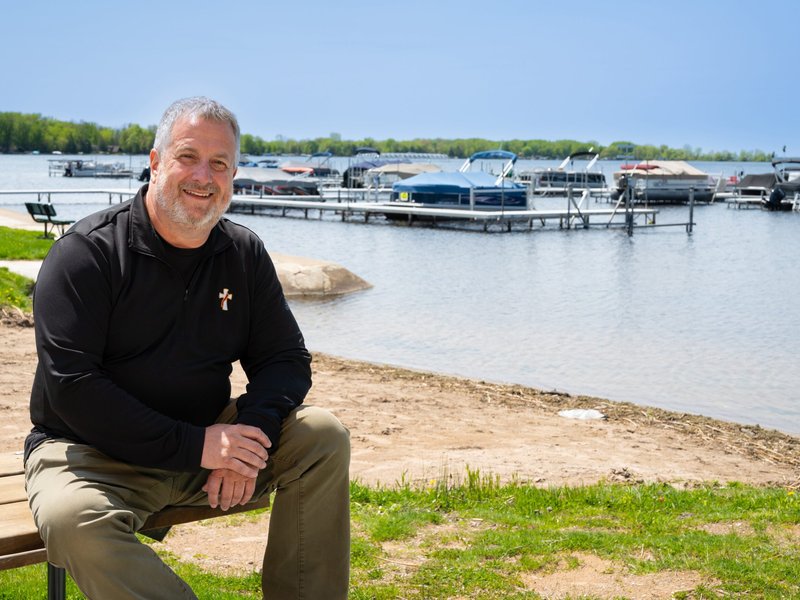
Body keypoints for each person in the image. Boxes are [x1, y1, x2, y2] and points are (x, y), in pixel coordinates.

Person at [24, 96, 351, 599]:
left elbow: (285, 360)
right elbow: (73, 389)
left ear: (234, 176)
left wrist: (246, 433)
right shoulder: (85, 254)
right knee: (74, 521)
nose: (204, 176)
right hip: (94, 453)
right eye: (188, 156)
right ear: (155, 163)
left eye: (219, 164)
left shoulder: (242, 253)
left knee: (321, 435)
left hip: (210, 441)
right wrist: (199, 446)